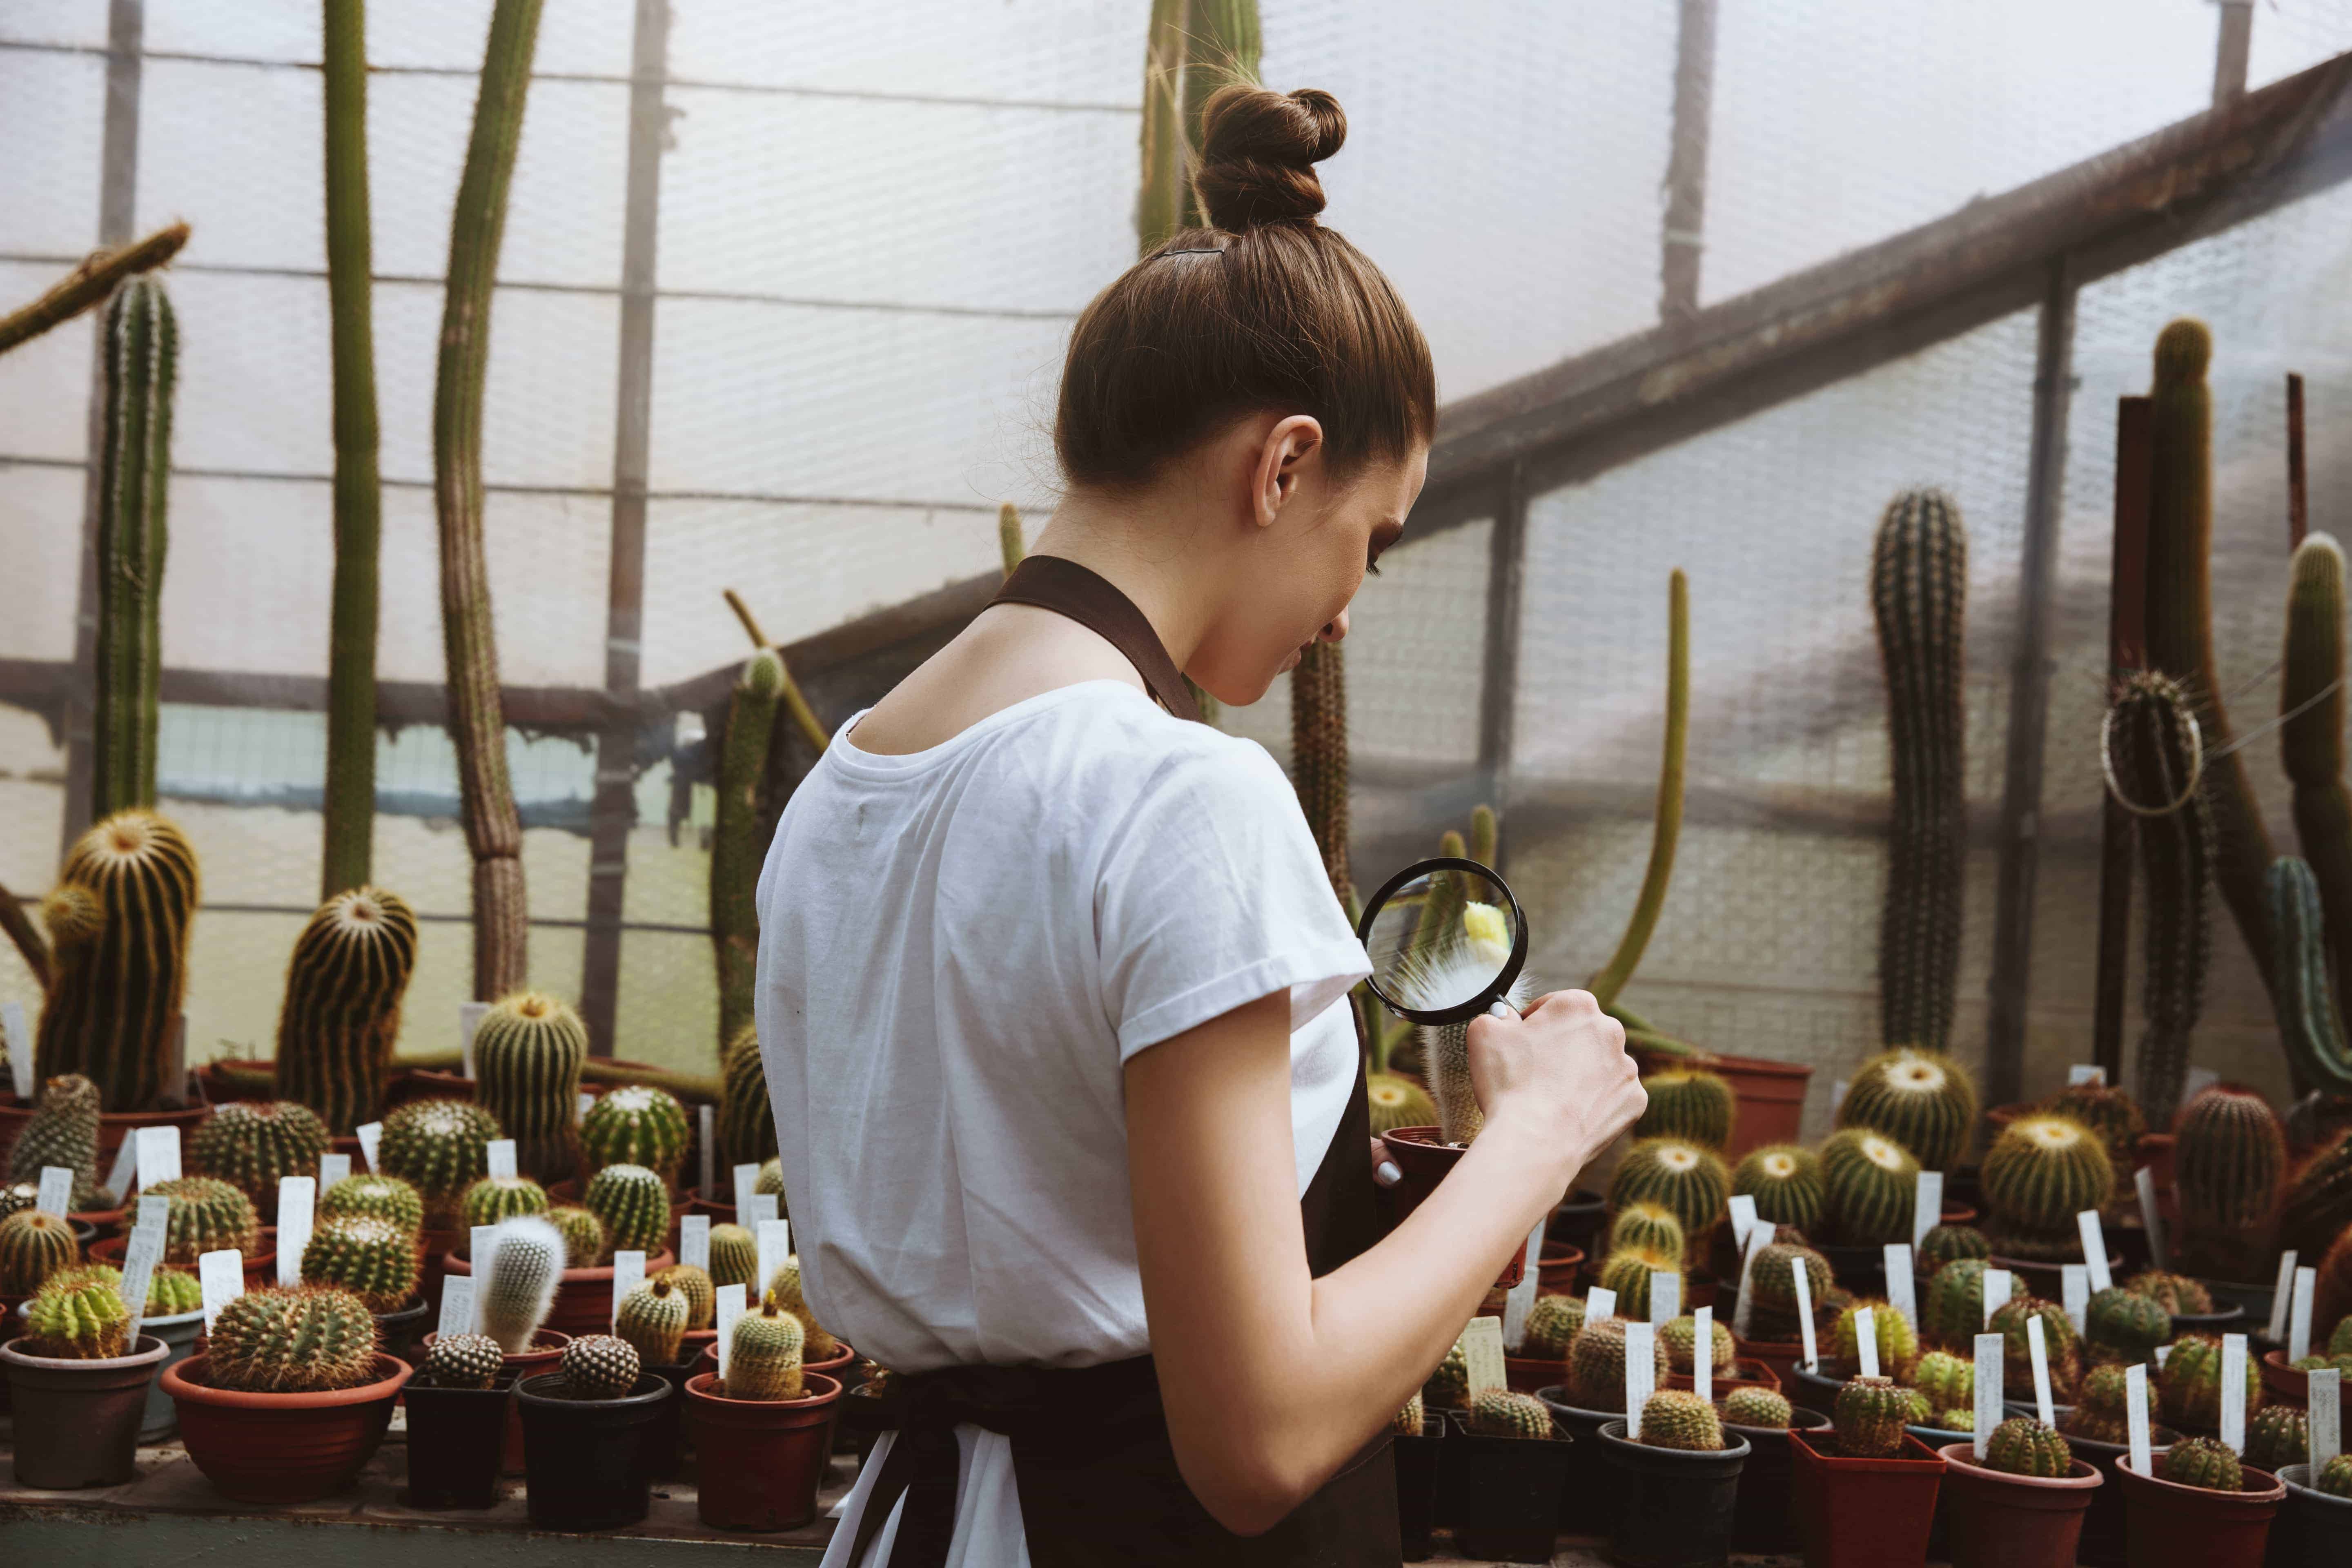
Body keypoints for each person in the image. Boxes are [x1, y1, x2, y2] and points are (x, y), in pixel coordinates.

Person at [756, 83, 1646, 1568]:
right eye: (1369, 537)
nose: (1349, 609)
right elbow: (1260, 1438)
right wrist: (1541, 1132)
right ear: (1284, 464)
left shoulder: (847, 781)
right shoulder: (1185, 796)